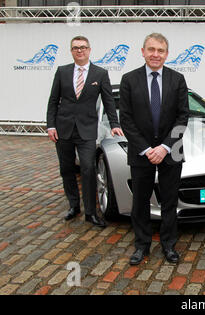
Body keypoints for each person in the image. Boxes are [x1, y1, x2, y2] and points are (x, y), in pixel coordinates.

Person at [119, 33, 189, 265]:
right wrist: (148, 149)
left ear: (167, 54)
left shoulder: (177, 79)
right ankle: (142, 246)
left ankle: (169, 246)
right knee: (140, 202)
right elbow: (126, 119)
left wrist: (165, 147)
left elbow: (182, 117)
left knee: (170, 201)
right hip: (142, 153)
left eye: (160, 50)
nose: (155, 54)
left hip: (171, 151)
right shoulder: (129, 79)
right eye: (151, 49)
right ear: (143, 51)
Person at [46, 36, 123, 228]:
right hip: (63, 129)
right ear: (71, 51)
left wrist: (115, 123)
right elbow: (53, 101)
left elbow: (108, 102)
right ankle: (73, 206)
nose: (79, 51)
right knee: (67, 169)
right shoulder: (62, 72)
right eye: (75, 48)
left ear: (89, 50)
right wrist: (51, 126)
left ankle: (90, 212)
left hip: (87, 130)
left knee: (88, 169)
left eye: (82, 47)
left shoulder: (100, 74)